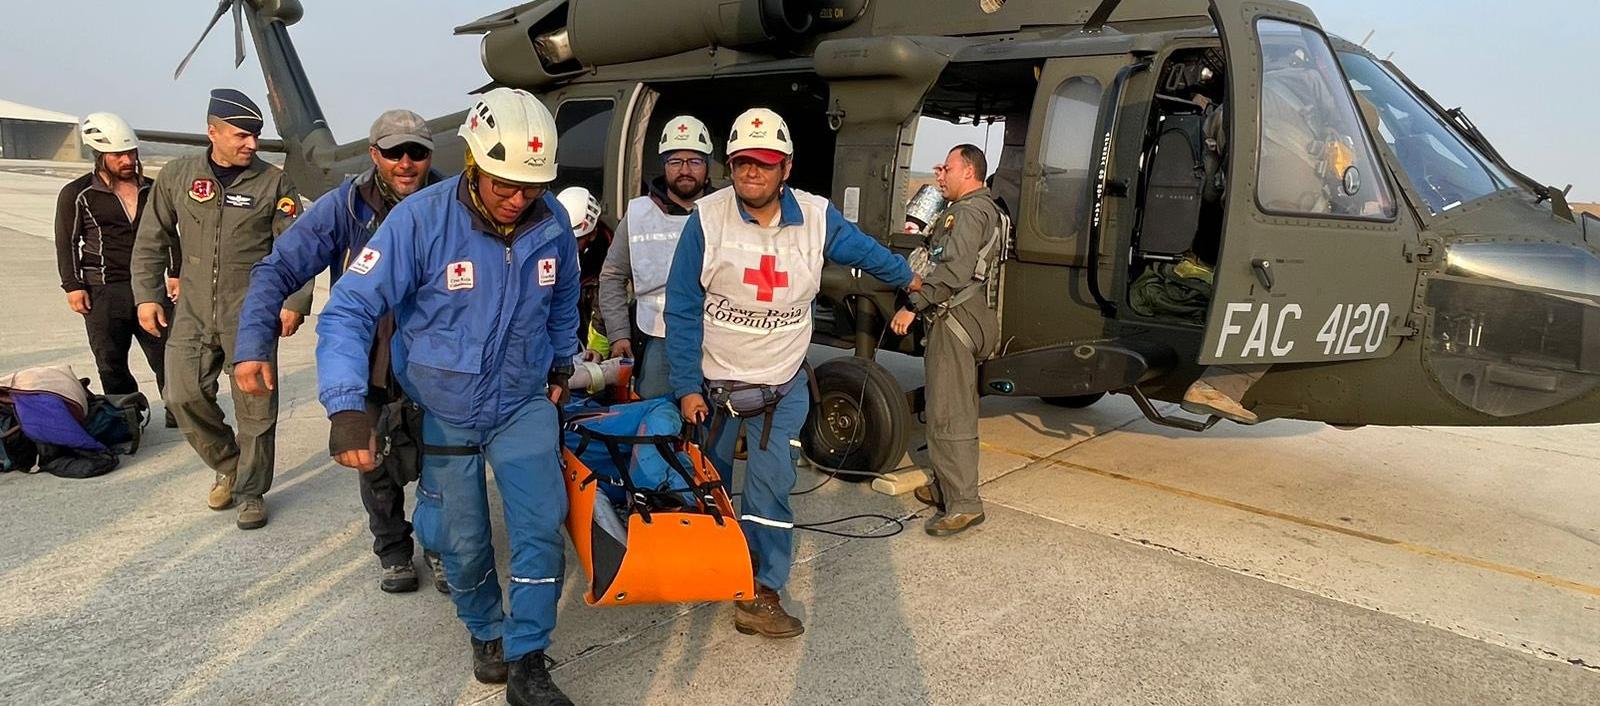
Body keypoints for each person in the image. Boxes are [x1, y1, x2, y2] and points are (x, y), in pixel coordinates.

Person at [315, 88, 577, 706]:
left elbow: (563, 294)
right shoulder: (420, 222)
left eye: (531, 188)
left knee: (541, 525)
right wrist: (347, 404)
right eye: (505, 185)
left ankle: (528, 657)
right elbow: (349, 309)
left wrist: (562, 357)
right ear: (474, 163)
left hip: (521, 401)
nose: (518, 200)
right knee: (459, 539)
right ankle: (485, 629)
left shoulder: (553, 220)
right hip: (445, 409)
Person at [666, 107, 919, 638]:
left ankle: (761, 592)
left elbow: (866, 252)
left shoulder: (818, 217)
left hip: (779, 391)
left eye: (764, 163)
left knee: (770, 493)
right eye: (740, 163)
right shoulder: (706, 220)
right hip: (715, 392)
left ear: (786, 167)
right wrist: (687, 388)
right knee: (706, 488)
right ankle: (711, 570)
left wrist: (908, 277)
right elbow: (683, 308)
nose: (750, 173)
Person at [233, 109, 447, 592]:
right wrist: (251, 346)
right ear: (375, 155)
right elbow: (276, 271)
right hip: (367, 361)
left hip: (435, 365)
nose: (407, 162)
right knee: (373, 462)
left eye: (417, 152)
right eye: (394, 152)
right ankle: (393, 549)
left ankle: (440, 548)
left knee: (444, 465)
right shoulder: (344, 208)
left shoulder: (452, 204)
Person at [131, 89, 311, 530]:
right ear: (212, 132)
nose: (252, 144)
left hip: (251, 312)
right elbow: (152, 239)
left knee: (256, 407)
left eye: (256, 135)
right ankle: (229, 463)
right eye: (241, 135)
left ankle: (250, 492)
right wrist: (147, 294)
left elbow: (298, 247)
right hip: (191, 309)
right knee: (180, 395)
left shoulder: (273, 182)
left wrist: (295, 301)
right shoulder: (177, 176)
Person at [890, 144, 1004, 536]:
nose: (941, 175)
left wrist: (913, 305)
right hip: (971, 316)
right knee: (948, 406)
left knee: (949, 412)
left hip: (955, 317)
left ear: (969, 172)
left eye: (948, 168)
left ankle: (964, 504)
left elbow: (952, 271)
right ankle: (946, 484)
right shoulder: (988, 209)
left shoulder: (967, 213)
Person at [55, 112, 178, 428]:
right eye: (118, 155)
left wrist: (175, 273)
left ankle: (178, 409)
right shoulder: (77, 194)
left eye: (130, 153)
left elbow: (172, 232)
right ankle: (126, 415)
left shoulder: (153, 189)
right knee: (110, 361)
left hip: (150, 287)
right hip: (103, 289)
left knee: (168, 354)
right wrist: (73, 285)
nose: (126, 160)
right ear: (99, 156)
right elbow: (67, 242)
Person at [598, 115, 715, 398]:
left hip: (715, 339)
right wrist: (619, 334)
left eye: (694, 161)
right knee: (655, 420)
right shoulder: (638, 214)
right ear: (664, 166)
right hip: (657, 338)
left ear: (707, 167)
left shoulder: (723, 213)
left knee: (710, 428)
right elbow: (612, 277)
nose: (685, 170)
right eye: (676, 161)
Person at [554, 186, 610, 357]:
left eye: (575, 241)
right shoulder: (546, 247)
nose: (567, 247)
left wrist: (596, 352)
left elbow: (604, 308)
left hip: (588, 347)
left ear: (591, 235)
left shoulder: (607, 262)